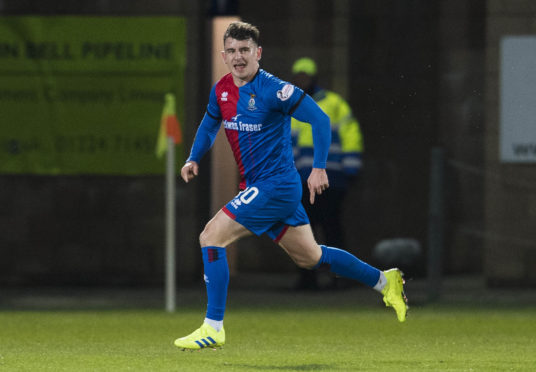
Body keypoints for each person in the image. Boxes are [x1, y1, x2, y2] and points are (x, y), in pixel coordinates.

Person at [174, 21, 408, 351]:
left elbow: (320, 120)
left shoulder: (275, 90)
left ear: (258, 53)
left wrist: (319, 168)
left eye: (245, 51)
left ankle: (213, 327)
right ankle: (386, 281)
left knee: (211, 236)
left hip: (277, 187)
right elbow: (210, 124)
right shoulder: (222, 90)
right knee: (310, 257)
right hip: (260, 187)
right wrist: (194, 157)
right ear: (224, 55)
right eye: (232, 51)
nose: (239, 57)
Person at [290, 57, 364, 290]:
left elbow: (350, 134)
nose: (301, 80)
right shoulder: (290, 106)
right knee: (305, 232)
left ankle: (338, 278)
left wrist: (350, 167)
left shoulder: (333, 103)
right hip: (302, 179)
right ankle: (308, 279)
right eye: (298, 76)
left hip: (331, 177)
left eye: (305, 76)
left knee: (331, 229)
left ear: (313, 78)